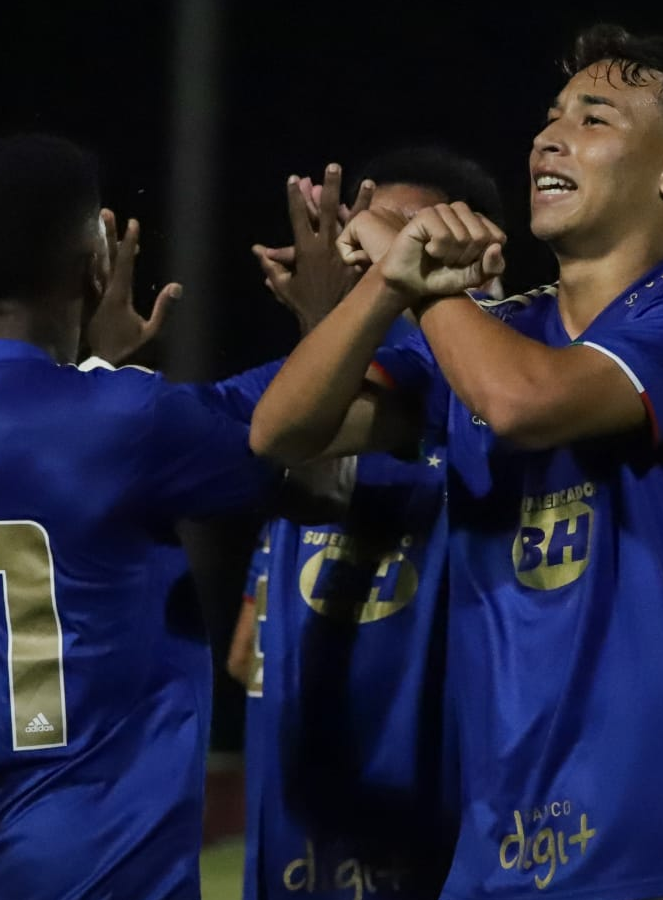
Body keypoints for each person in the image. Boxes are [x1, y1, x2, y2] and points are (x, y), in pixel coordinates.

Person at [250, 21, 663, 900]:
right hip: (493, 852)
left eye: (594, 118)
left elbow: (527, 403)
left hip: (656, 847)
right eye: (551, 115)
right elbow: (285, 430)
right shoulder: (488, 331)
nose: (549, 135)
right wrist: (389, 283)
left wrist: (421, 280)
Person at [0, 132, 281, 900]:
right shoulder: (128, 419)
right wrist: (338, 313)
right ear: (96, 262)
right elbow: (286, 429)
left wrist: (95, 373)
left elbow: (18, 436)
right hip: (101, 874)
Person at [222, 146, 505, 900]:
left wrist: (331, 316)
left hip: (435, 839)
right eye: (362, 233)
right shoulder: (338, 412)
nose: (371, 254)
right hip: (306, 839)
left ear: (480, 250)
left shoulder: (477, 403)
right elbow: (247, 653)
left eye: (396, 232)